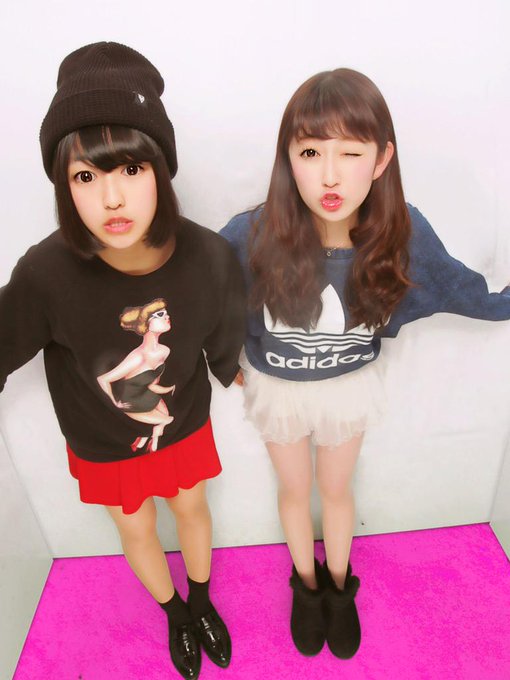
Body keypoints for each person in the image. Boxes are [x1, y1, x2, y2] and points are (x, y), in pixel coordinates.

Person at [220, 68, 510, 660]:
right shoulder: (253, 233)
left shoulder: (401, 232)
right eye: (310, 152)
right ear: (288, 158)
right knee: (294, 491)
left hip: (348, 387)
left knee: (337, 490)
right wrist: (221, 360)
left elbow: (460, 289)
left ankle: (339, 586)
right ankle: (306, 588)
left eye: (350, 153)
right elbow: (198, 292)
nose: (330, 174)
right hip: (278, 388)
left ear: (381, 160)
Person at [0, 42, 245, 680]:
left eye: (131, 169)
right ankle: (175, 615)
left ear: (160, 169)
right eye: (86, 177)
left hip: (181, 423)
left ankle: (201, 601)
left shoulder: (208, 256)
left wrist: (229, 365)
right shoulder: (45, 274)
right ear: (64, 185)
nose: (112, 198)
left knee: (192, 510)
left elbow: (222, 318)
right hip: (103, 442)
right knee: (135, 530)